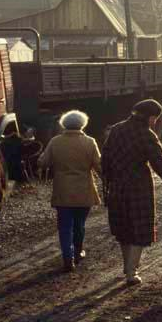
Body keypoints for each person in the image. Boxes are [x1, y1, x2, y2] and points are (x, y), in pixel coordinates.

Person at [101, 99, 162, 286]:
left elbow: (105, 157)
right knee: (139, 230)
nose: (155, 122)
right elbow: (160, 163)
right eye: (155, 119)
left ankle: (127, 268)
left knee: (123, 228)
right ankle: (131, 272)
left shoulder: (116, 129)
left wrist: (108, 181)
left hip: (117, 186)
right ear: (150, 117)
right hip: (138, 187)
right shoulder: (146, 134)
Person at [37, 110, 102, 272]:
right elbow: (99, 166)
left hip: (63, 190)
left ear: (64, 124)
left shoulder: (55, 141)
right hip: (84, 190)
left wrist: (39, 159)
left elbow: (43, 163)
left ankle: (68, 257)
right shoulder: (90, 142)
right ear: (82, 124)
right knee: (79, 224)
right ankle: (78, 251)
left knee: (65, 226)